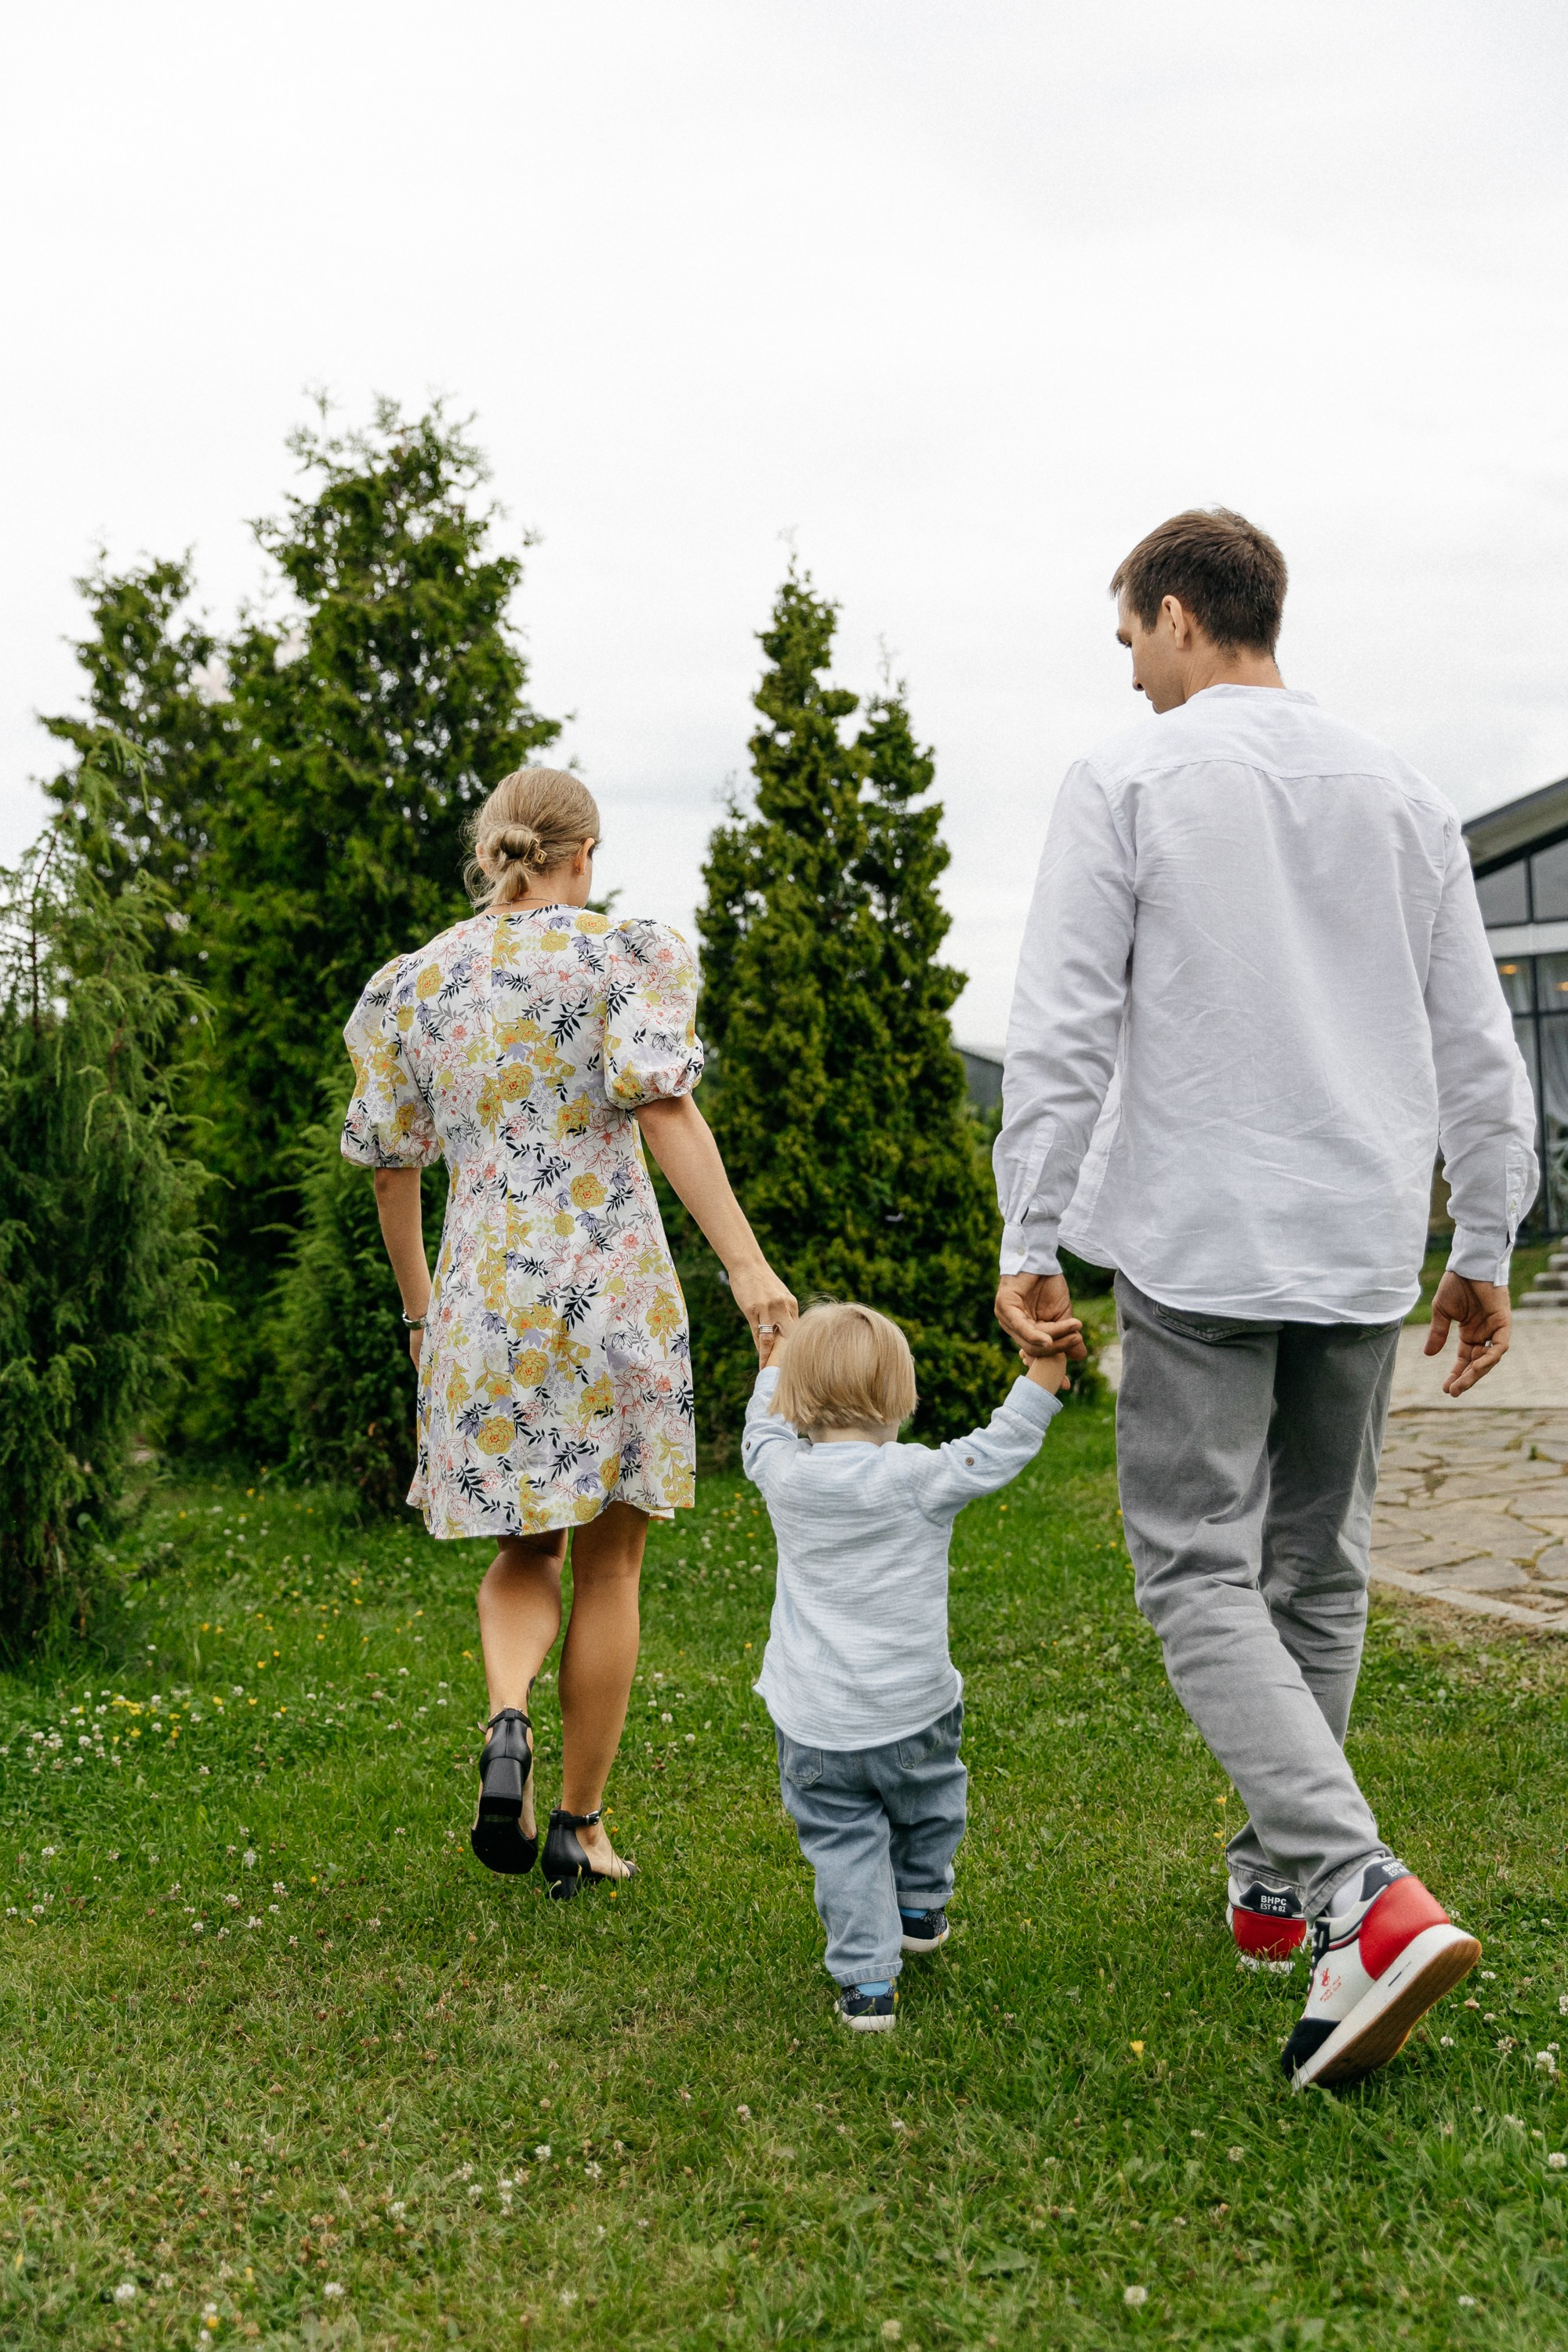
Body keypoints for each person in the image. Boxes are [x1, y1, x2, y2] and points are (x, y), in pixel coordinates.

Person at [993, 509, 1537, 2088]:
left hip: (1203, 1235)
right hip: (1361, 1237)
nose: (1132, 681)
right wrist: (1485, 1241)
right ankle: (1275, 1879)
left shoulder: (1128, 782)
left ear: (1175, 615)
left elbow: (1065, 1027)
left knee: (1191, 1572)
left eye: (1128, 649)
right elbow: (1476, 1050)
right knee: (1318, 1563)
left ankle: (1360, 1893)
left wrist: (1029, 1232)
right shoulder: (1401, 792)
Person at [342, 766, 795, 1898]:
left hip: (484, 1304)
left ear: (498, 854)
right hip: (613, 1293)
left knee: (522, 1550)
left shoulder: (418, 984)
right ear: (581, 854)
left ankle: (507, 1718)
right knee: (614, 1557)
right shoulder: (621, 954)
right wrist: (748, 1269)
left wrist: (418, 1313)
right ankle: (580, 1828)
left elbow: (394, 1173)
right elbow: (663, 1104)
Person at [742, 1301, 1076, 2031]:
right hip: (913, 1710)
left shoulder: (781, 1474)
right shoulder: (920, 1477)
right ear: (899, 1395)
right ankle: (920, 1911)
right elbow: (1001, 1445)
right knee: (931, 1808)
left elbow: (761, 1428)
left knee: (843, 1843)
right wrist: (1043, 1378)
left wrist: (773, 1360)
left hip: (817, 1723)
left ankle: (867, 1987)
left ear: (797, 1392)